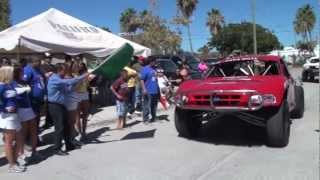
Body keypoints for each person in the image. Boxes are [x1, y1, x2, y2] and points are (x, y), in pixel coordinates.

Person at [47, 63, 89, 156]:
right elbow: (68, 82)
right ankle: (56, 148)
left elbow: (68, 89)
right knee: (59, 127)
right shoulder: (55, 79)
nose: (65, 72)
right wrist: (83, 76)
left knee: (66, 125)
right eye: (64, 70)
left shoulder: (59, 79)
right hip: (55, 106)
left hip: (62, 105)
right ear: (60, 70)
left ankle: (69, 145)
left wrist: (77, 83)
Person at [12, 65, 44, 165]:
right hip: (21, 110)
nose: (23, 74)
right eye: (21, 72)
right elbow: (14, 94)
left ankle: (34, 151)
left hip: (29, 108)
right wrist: (24, 90)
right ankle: (21, 153)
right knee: (23, 133)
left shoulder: (24, 82)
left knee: (34, 131)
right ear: (16, 73)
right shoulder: (13, 83)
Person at [0, 66, 26, 173]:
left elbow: (15, 94)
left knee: (20, 139)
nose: (13, 73)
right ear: (6, 73)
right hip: (7, 117)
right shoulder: (1, 86)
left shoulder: (9, 84)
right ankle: (12, 165)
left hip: (15, 116)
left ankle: (14, 160)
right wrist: (3, 108)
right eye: (11, 72)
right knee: (9, 142)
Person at [23, 58, 46, 145]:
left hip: (38, 99)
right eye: (38, 61)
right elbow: (23, 82)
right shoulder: (27, 70)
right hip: (31, 100)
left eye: (39, 61)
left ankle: (35, 138)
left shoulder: (38, 69)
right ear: (32, 62)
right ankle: (29, 140)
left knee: (36, 120)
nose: (39, 63)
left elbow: (41, 81)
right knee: (31, 121)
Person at [140, 56, 160, 123]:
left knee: (154, 105)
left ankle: (154, 118)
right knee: (146, 105)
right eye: (154, 61)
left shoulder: (154, 69)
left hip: (155, 90)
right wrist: (144, 89)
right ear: (151, 61)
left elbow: (156, 78)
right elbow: (142, 80)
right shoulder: (145, 69)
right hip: (148, 90)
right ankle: (145, 119)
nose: (155, 63)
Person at [76, 62, 91, 141]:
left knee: (85, 114)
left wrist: (87, 80)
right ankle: (80, 132)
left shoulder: (86, 74)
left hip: (84, 94)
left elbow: (87, 85)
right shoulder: (75, 75)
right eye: (79, 67)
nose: (80, 68)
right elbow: (75, 86)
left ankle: (84, 132)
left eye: (82, 67)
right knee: (77, 115)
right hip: (77, 95)